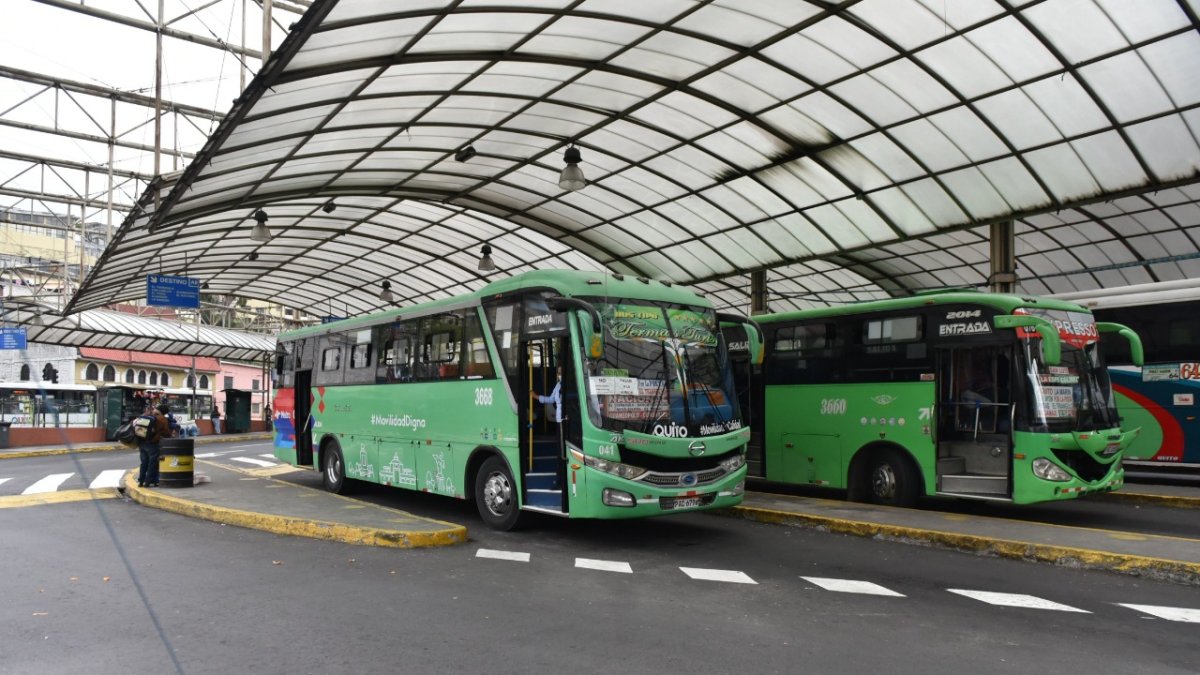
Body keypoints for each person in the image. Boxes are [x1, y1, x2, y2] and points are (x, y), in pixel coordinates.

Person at [137, 403, 174, 488]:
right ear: (164, 412)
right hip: (153, 444)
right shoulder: (162, 419)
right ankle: (148, 481)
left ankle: (141, 481)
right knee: (152, 464)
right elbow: (166, 433)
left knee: (144, 463)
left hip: (142, 442)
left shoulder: (147, 415)